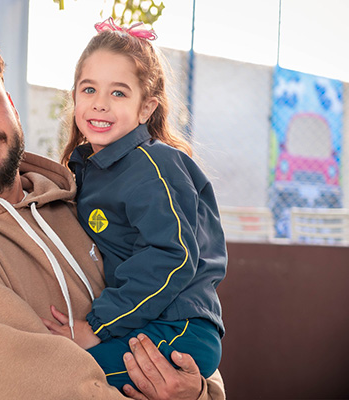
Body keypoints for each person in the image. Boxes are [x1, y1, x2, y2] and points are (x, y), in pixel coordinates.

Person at [0, 30, 225, 399]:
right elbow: (37, 389)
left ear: (12, 106)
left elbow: (173, 330)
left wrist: (197, 394)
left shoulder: (71, 202)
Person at [42, 19, 227, 392]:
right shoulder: (90, 168)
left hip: (178, 328)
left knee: (64, 380)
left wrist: (98, 326)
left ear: (147, 108)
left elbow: (171, 256)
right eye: (89, 89)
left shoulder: (154, 167)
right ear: (74, 97)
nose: (100, 103)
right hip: (148, 320)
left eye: (119, 93)